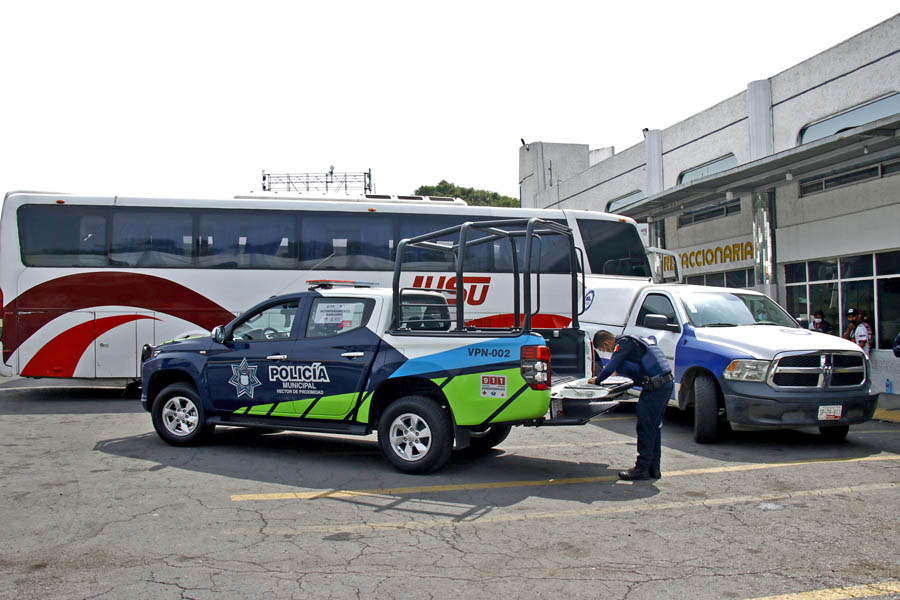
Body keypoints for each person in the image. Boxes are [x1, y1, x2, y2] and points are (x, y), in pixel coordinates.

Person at [588, 333, 674, 481]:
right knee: (654, 426)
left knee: (645, 427)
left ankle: (641, 468)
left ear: (607, 342)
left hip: (655, 387)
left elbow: (611, 366)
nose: (607, 351)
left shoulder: (624, 343)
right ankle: (653, 468)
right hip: (664, 384)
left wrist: (597, 380)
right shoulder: (637, 339)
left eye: (604, 348)